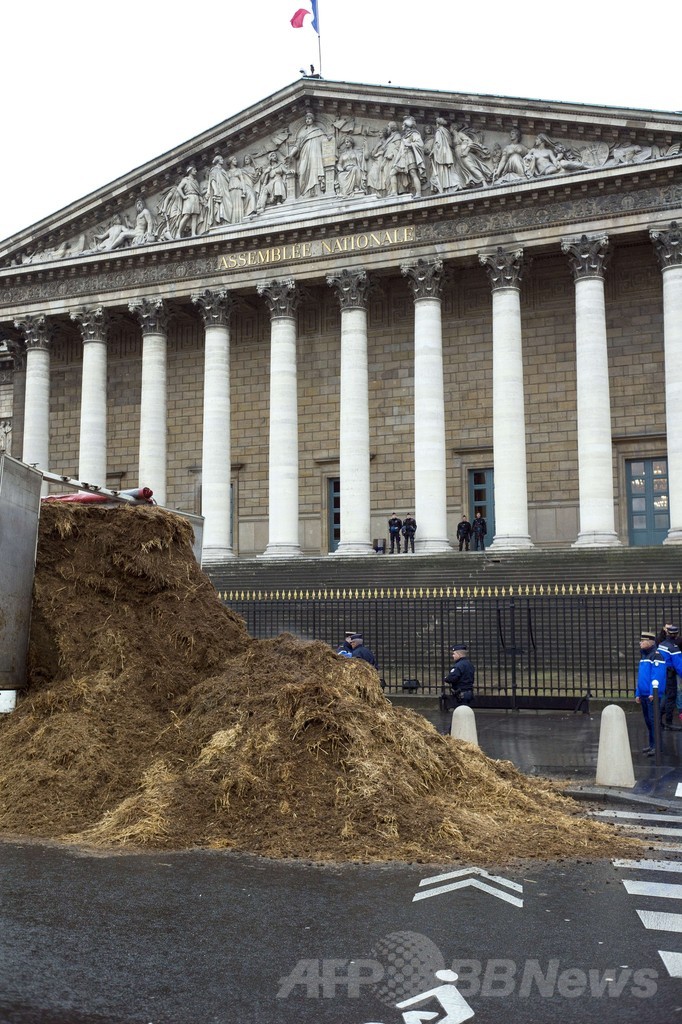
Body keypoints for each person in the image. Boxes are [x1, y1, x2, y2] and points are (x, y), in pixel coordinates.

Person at [636, 630, 667, 756]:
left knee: (654, 721)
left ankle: (657, 747)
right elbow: (641, 677)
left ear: (650, 642)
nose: (640, 643)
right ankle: (652, 744)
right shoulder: (644, 656)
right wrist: (638, 693)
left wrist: (653, 693)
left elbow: (657, 676)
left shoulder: (656, 656)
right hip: (644, 695)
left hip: (652, 695)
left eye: (643, 641)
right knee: (649, 721)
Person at [290, 112, 327, 198]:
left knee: (315, 170)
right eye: (306, 119)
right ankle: (304, 192)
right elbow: (297, 146)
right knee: (302, 172)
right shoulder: (302, 133)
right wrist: (291, 155)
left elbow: (325, 142)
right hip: (304, 155)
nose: (307, 120)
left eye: (309, 118)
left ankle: (316, 191)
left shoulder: (318, 131)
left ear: (313, 120)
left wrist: (328, 139)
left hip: (315, 155)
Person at [657, 624, 682, 729]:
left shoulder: (662, 644)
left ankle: (658, 719)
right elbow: (679, 666)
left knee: (665, 697)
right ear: (676, 635)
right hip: (670, 676)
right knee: (670, 698)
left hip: (662, 674)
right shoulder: (674, 648)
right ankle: (668, 722)